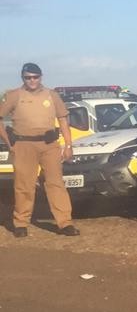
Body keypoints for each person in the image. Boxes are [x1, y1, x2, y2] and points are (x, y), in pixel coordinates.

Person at [0, 63, 77, 237]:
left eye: (35, 77)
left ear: (41, 77)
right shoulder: (14, 96)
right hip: (23, 145)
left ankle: (65, 223)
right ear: (23, 78)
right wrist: (9, 143)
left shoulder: (52, 95)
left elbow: (63, 120)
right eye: (28, 77)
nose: (32, 80)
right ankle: (20, 223)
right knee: (24, 185)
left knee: (55, 183)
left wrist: (69, 145)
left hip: (49, 145)